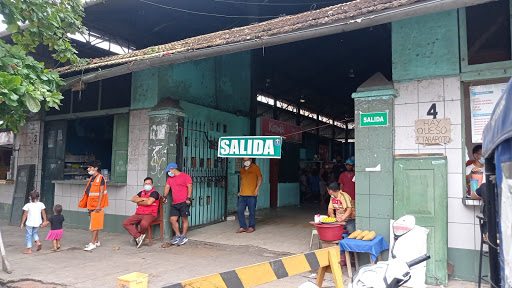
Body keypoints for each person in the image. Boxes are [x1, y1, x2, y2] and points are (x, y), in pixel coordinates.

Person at [79, 160, 109, 251]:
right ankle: (96, 241)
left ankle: (92, 243)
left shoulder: (101, 178)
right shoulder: (92, 178)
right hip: (90, 204)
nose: (88, 169)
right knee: (94, 223)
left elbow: (101, 193)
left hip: (96, 205)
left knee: (94, 225)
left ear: (96, 168)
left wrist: (98, 206)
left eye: (90, 167)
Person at [122, 177, 160, 248]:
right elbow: (133, 199)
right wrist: (143, 198)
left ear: (152, 185)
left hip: (150, 214)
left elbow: (149, 202)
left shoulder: (155, 193)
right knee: (126, 223)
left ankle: (140, 235)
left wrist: (139, 202)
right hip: (139, 213)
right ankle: (138, 236)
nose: (147, 185)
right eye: (146, 183)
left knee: (144, 224)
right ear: (143, 184)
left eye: (149, 183)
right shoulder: (141, 192)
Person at [163, 163, 193, 246]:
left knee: (184, 219)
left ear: (173, 169)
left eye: (169, 170)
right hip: (175, 203)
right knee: (172, 220)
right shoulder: (170, 178)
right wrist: (164, 196)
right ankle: (178, 236)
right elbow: (167, 187)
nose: (169, 172)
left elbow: (190, 186)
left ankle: (183, 236)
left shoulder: (185, 176)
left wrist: (188, 198)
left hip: (184, 202)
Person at [237, 157, 262, 233]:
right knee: (240, 211)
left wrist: (257, 189)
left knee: (252, 211)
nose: (246, 161)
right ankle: (243, 227)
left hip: (252, 194)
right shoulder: (242, 169)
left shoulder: (256, 167)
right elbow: (242, 181)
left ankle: (251, 227)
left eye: (247, 160)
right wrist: (240, 191)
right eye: (244, 160)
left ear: (250, 160)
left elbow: (260, 178)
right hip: (242, 194)